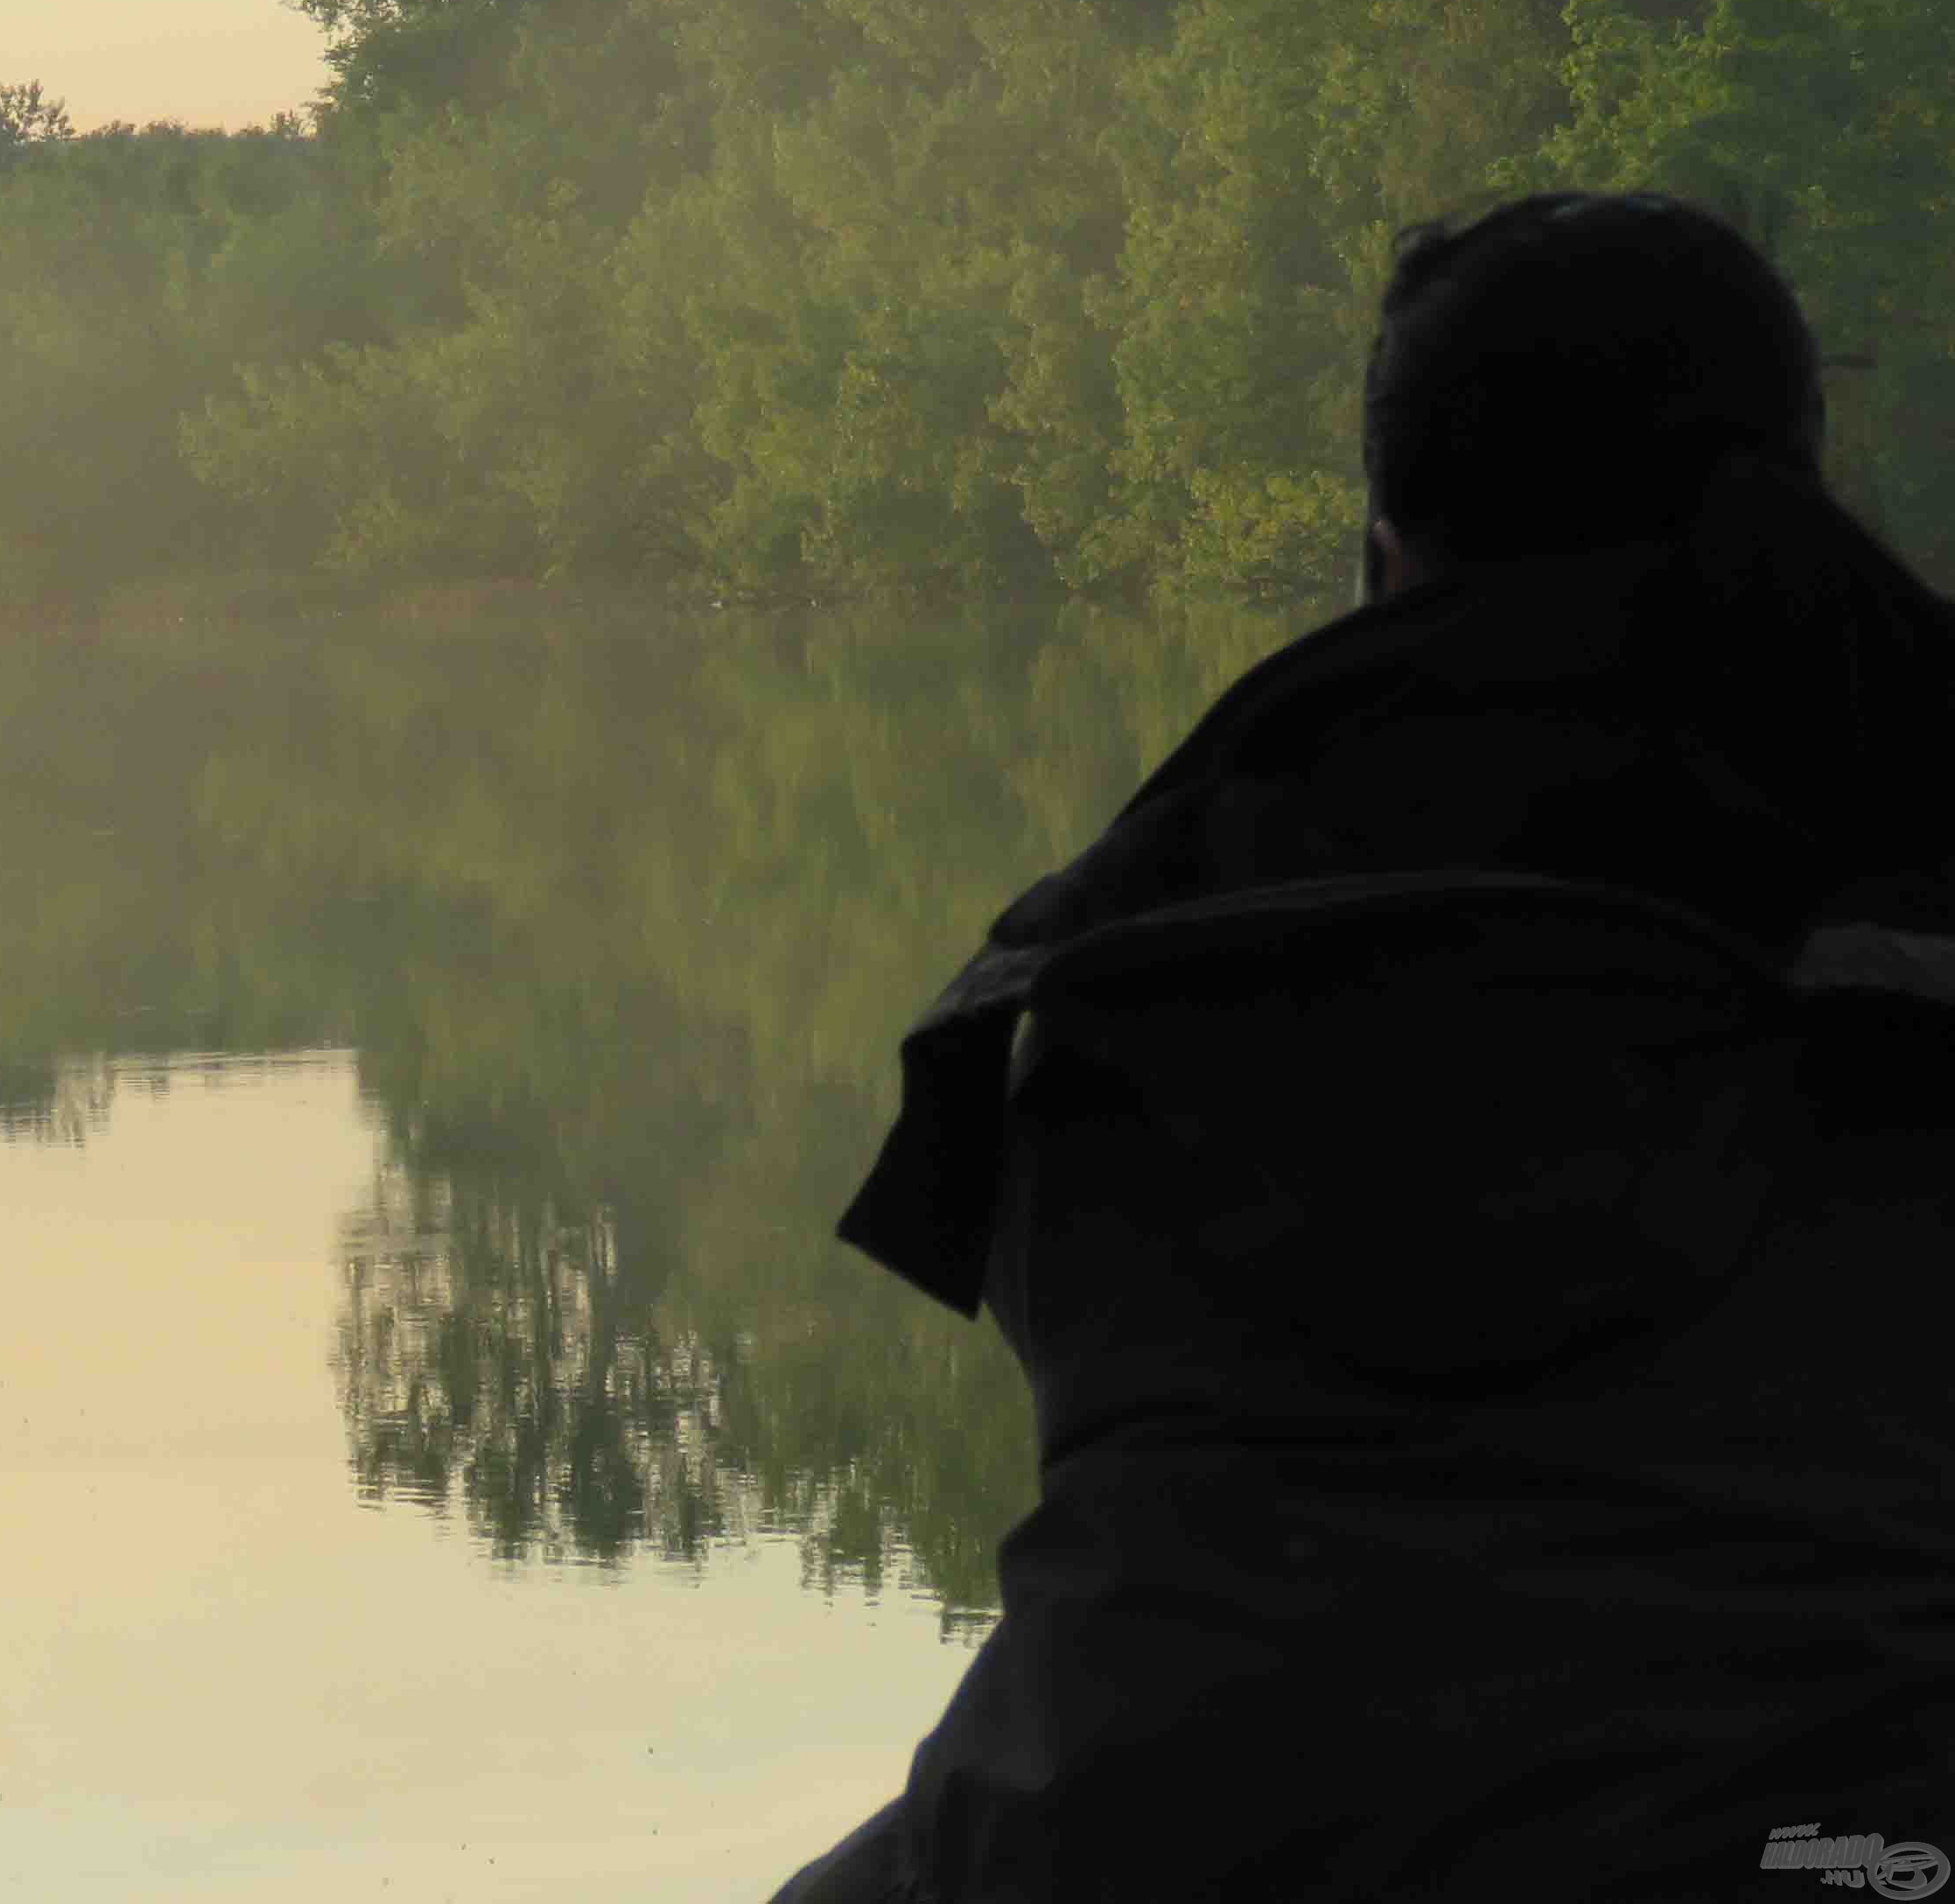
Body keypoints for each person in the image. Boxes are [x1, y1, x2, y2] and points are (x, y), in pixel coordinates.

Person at [772, 192, 1955, 1903]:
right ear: (1799, 478)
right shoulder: (1900, 853)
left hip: (1113, 1838)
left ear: (1388, 536)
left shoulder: (1128, 932)